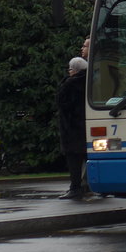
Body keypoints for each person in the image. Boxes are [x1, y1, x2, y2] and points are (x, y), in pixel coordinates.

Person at [56, 56, 89, 199]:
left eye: (70, 69)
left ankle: (75, 188)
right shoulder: (91, 81)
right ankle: (88, 185)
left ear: (74, 70)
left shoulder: (70, 84)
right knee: (88, 158)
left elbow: (62, 104)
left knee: (74, 160)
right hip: (86, 127)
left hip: (72, 129)